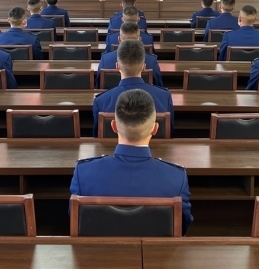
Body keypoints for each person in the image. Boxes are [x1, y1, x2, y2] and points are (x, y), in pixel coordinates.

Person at [70, 88, 192, 234]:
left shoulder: (83, 173)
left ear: (114, 126)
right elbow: (182, 227)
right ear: (155, 129)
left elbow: (75, 221)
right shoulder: (177, 178)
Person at [92, 40, 173, 136]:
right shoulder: (164, 97)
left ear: (117, 66)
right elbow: (170, 132)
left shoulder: (101, 101)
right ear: (144, 67)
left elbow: (97, 136)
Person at [96, 22, 163, 88]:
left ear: (119, 39)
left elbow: (98, 86)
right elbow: (158, 86)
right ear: (139, 39)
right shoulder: (152, 61)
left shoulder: (105, 59)